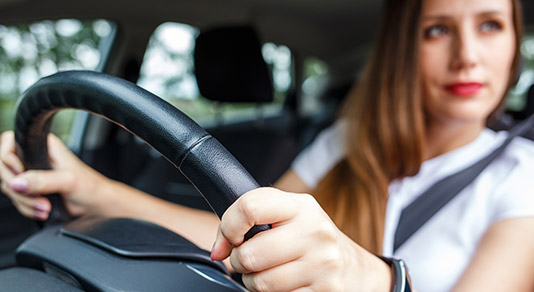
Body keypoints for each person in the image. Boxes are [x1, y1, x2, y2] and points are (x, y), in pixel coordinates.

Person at [1, 0, 533, 290]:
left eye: (490, 25)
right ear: (403, 48)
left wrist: (374, 279)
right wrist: (92, 189)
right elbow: (240, 230)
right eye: (438, 29)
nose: (467, 55)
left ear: (514, 45)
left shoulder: (523, 175)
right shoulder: (347, 141)